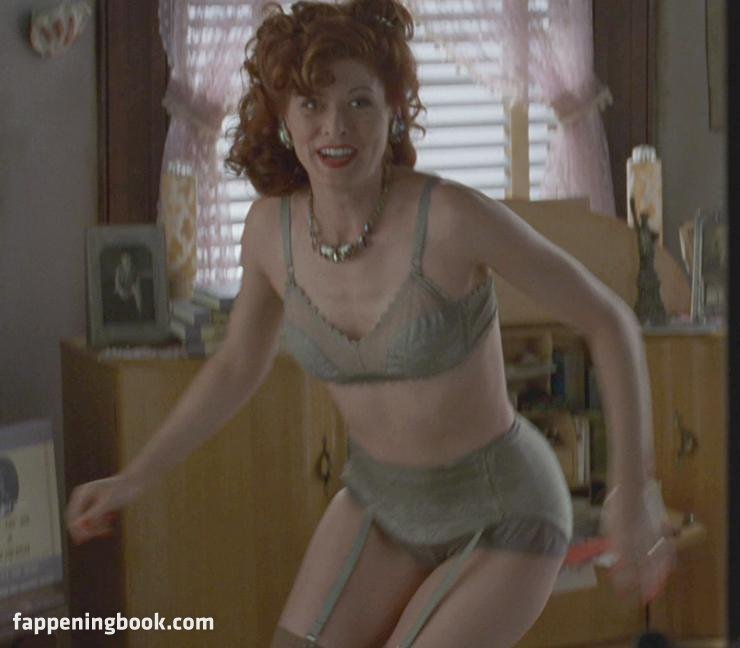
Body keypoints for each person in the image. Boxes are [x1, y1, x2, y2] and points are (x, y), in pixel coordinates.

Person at [64, 1, 675, 646]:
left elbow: (610, 321)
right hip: (379, 503)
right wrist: (134, 476)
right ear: (282, 117)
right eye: (311, 104)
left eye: (359, 102)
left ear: (393, 111)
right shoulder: (269, 232)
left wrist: (633, 492)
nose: (335, 126)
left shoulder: (451, 218)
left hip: (505, 510)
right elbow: (237, 366)